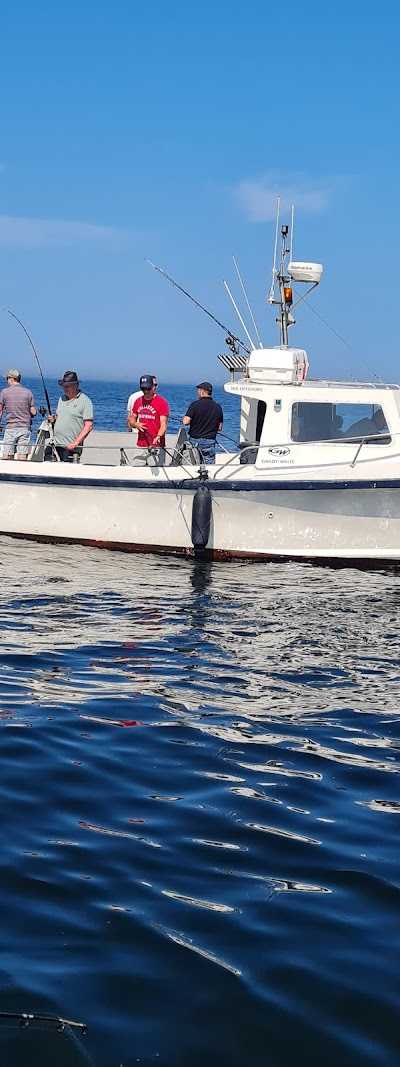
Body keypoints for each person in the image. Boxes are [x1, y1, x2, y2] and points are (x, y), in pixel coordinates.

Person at [46, 370, 94, 462]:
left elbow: (89, 426)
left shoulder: (85, 401)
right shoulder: (61, 399)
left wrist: (75, 443)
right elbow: (60, 416)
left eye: (67, 386)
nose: (65, 389)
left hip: (70, 447)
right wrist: (53, 419)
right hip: (55, 444)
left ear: (76, 386)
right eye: (63, 386)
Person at [128, 374, 169, 464]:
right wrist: (135, 424)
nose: (146, 391)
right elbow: (131, 419)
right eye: (143, 389)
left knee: (156, 473)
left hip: (156, 445)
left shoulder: (162, 402)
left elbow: (163, 424)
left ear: (153, 387)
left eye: (148, 388)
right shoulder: (138, 401)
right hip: (141, 444)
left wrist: (158, 436)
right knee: (136, 469)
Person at [182, 381, 223, 464]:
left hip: (195, 440)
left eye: (198, 390)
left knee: (193, 463)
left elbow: (185, 422)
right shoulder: (218, 407)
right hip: (210, 441)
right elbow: (219, 428)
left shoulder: (195, 405)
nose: (197, 392)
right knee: (209, 466)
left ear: (202, 391)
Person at [0, 369, 36, 460]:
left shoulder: (4, 392)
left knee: (7, 456)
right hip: (25, 428)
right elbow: (33, 411)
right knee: (22, 456)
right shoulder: (28, 392)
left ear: (12, 379)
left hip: (11, 428)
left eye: (7, 378)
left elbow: (0, 411)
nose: (7, 381)